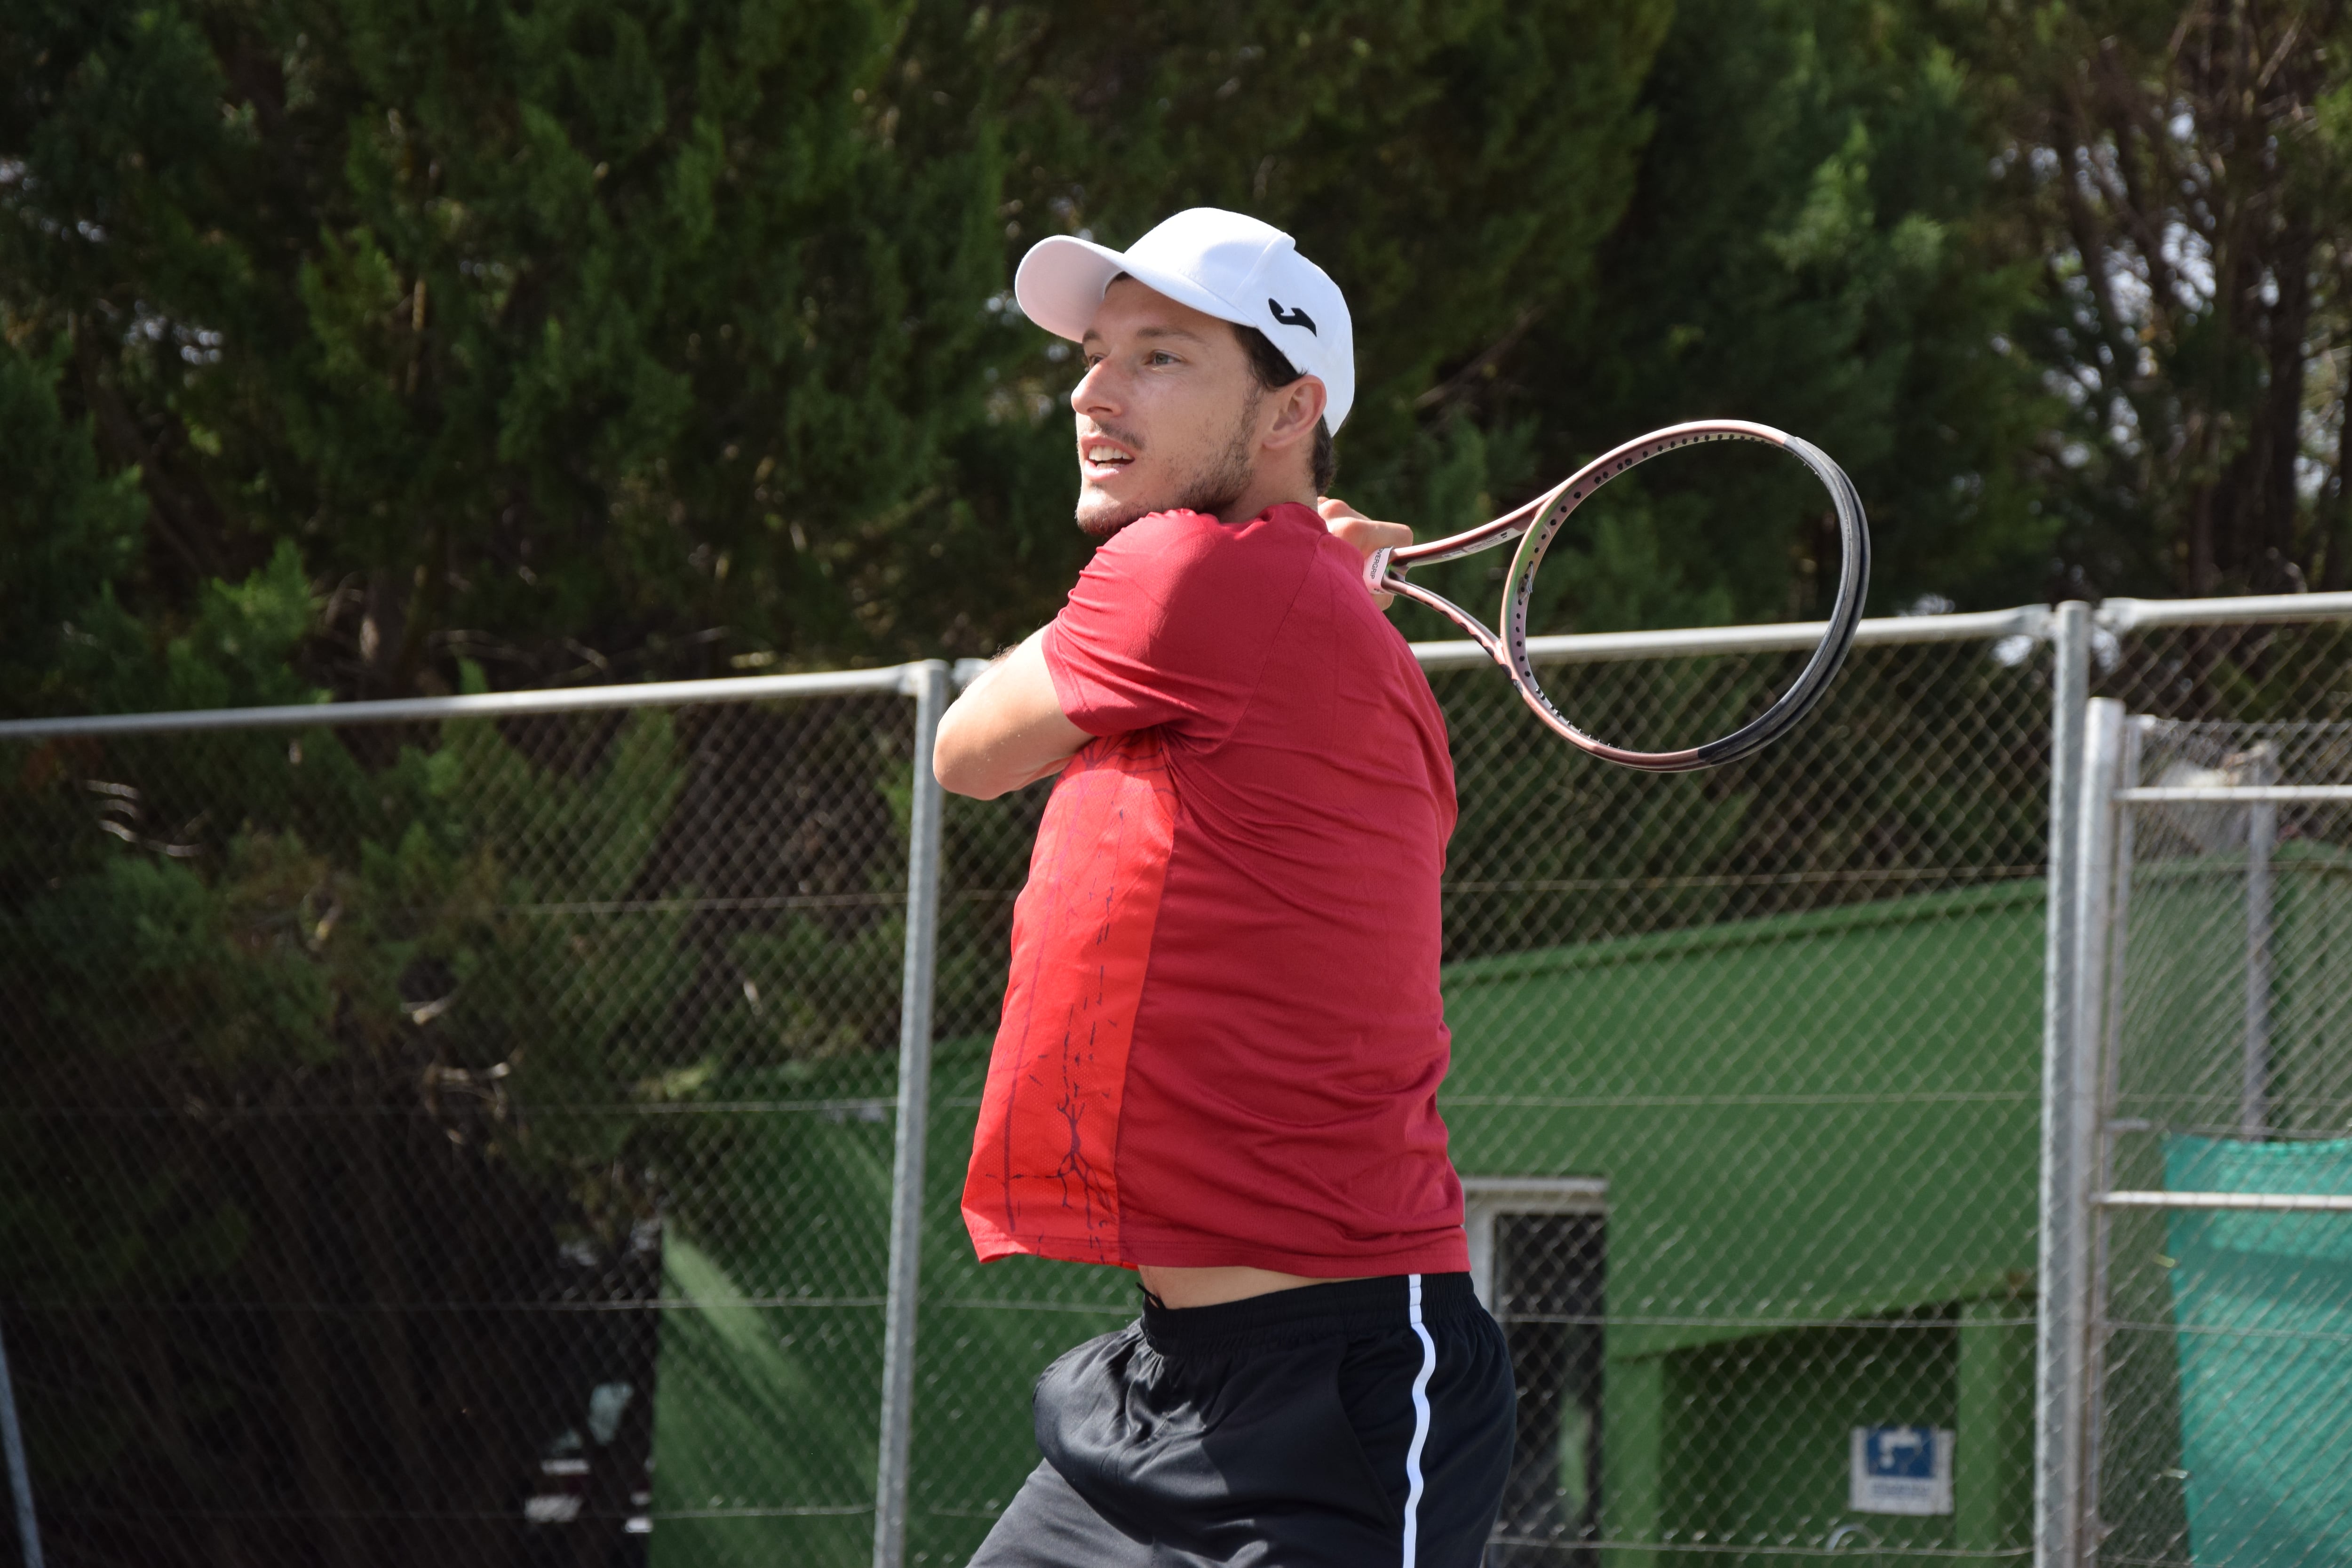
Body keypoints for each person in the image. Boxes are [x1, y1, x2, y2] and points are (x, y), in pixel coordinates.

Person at [934, 207, 1513, 1568]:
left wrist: (1283, 550)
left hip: (1348, 1396)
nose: (1091, 389)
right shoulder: (1291, 597)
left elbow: (966, 749)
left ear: (1287, 408)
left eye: (1160, 356)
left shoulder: (1189, 571)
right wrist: (1302, 548)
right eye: (1091, 353)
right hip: (1166, 1382)